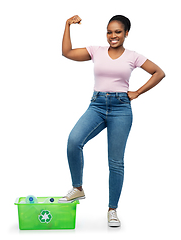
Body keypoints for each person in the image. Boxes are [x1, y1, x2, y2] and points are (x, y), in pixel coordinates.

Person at [58, 15, 165, 227]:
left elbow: (158, 73)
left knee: (115, 162)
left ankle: (112, 210)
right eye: (109, 31)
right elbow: (67, 52)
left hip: (121, 110)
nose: (113, 36)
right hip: (97, 105)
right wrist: (67, 25)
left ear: (126, 33)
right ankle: (78, 188)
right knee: (73, 141)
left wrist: (138, 92)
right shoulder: (96, 51)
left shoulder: (133, 56)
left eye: (117, 32)